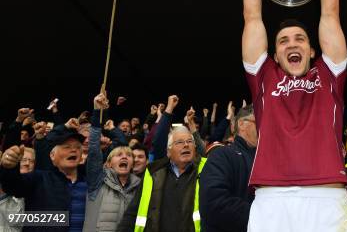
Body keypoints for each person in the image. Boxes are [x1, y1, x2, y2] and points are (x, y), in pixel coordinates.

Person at [242, 0, 347, 232]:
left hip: (327, 196)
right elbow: (253, 19)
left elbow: (330, 15)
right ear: (275, 55)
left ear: (312, 50)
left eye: (300, 39)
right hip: (271, 198)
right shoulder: (264, 76)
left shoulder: (329, 74)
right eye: (283, 42)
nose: (292, 45)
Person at [118, 95, 207, 232]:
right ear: (168, 151)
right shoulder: (153, 172)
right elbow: (132, 213)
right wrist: (168, 109)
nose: (186, 146)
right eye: (179, 142)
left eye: (189, 142)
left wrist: (192, 125)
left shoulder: (205, 170)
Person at [0, 126, 87, 232]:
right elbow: (12, 186)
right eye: (67, 147)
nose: (73, 150)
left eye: (78, 147)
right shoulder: (39, 178)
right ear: (52, 155)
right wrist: (10, 168)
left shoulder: (90, 182)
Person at [83, 93, 142, 231]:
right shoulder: (97, 180)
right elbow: (93, 149)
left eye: (128, 155)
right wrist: (97, 112)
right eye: (118, 155)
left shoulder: (139, 187)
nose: (124, 157)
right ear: (108, 163)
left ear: (132, 164)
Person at [199, 105, 258, 232]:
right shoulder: (221, 155)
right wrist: (263, 214)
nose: (263, 127)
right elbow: (214, 203)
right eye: (258, 122)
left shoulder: (264, 159)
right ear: (242, 124)